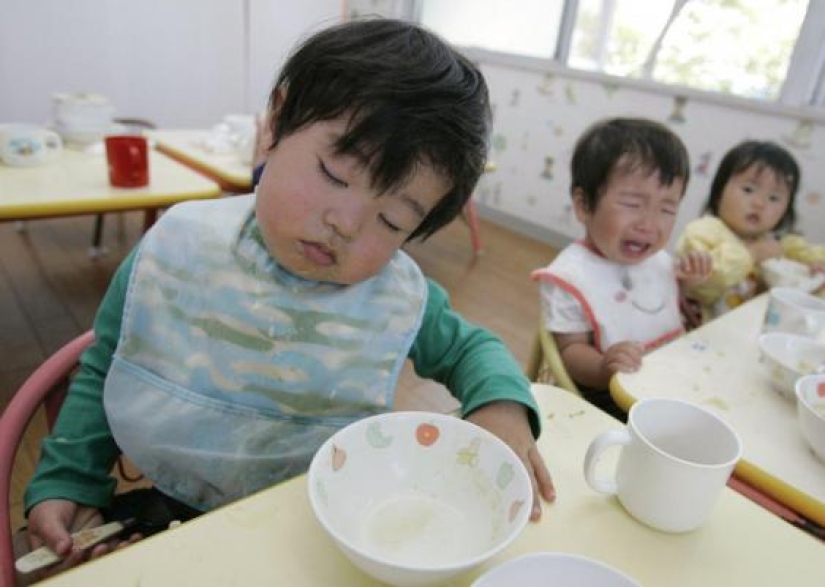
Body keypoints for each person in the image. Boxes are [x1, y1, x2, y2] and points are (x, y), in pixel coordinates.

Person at [18, 18, 556, 580]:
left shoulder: (391, 295)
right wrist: (68, 480)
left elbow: (475, 350)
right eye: (334, 174)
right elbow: (111, 361)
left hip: (318, 520)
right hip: (168, 511)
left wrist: (503, 406)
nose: (344, 224)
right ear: (274, 124)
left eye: (392, 219)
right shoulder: (178, 247)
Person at [532, 118, 711, 418]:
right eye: (632, 203)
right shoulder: (569, 276)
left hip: (670, 378)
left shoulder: (658, 261)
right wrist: (604, 368)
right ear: (583, 204)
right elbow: (570, 352)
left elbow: (658, 305)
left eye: (667, 209)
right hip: (608, 396)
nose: (649, 224)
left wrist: (688, 285)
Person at [677, 140, 825, 322]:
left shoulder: (781, 245)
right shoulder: (703, 232)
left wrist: (815, 273)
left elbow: (809, 268)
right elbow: (703, 285)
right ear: (719, 190)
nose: (759, 203)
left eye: (774, 198)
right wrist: (751, 254)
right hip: (702, 336)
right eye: (748, 190)